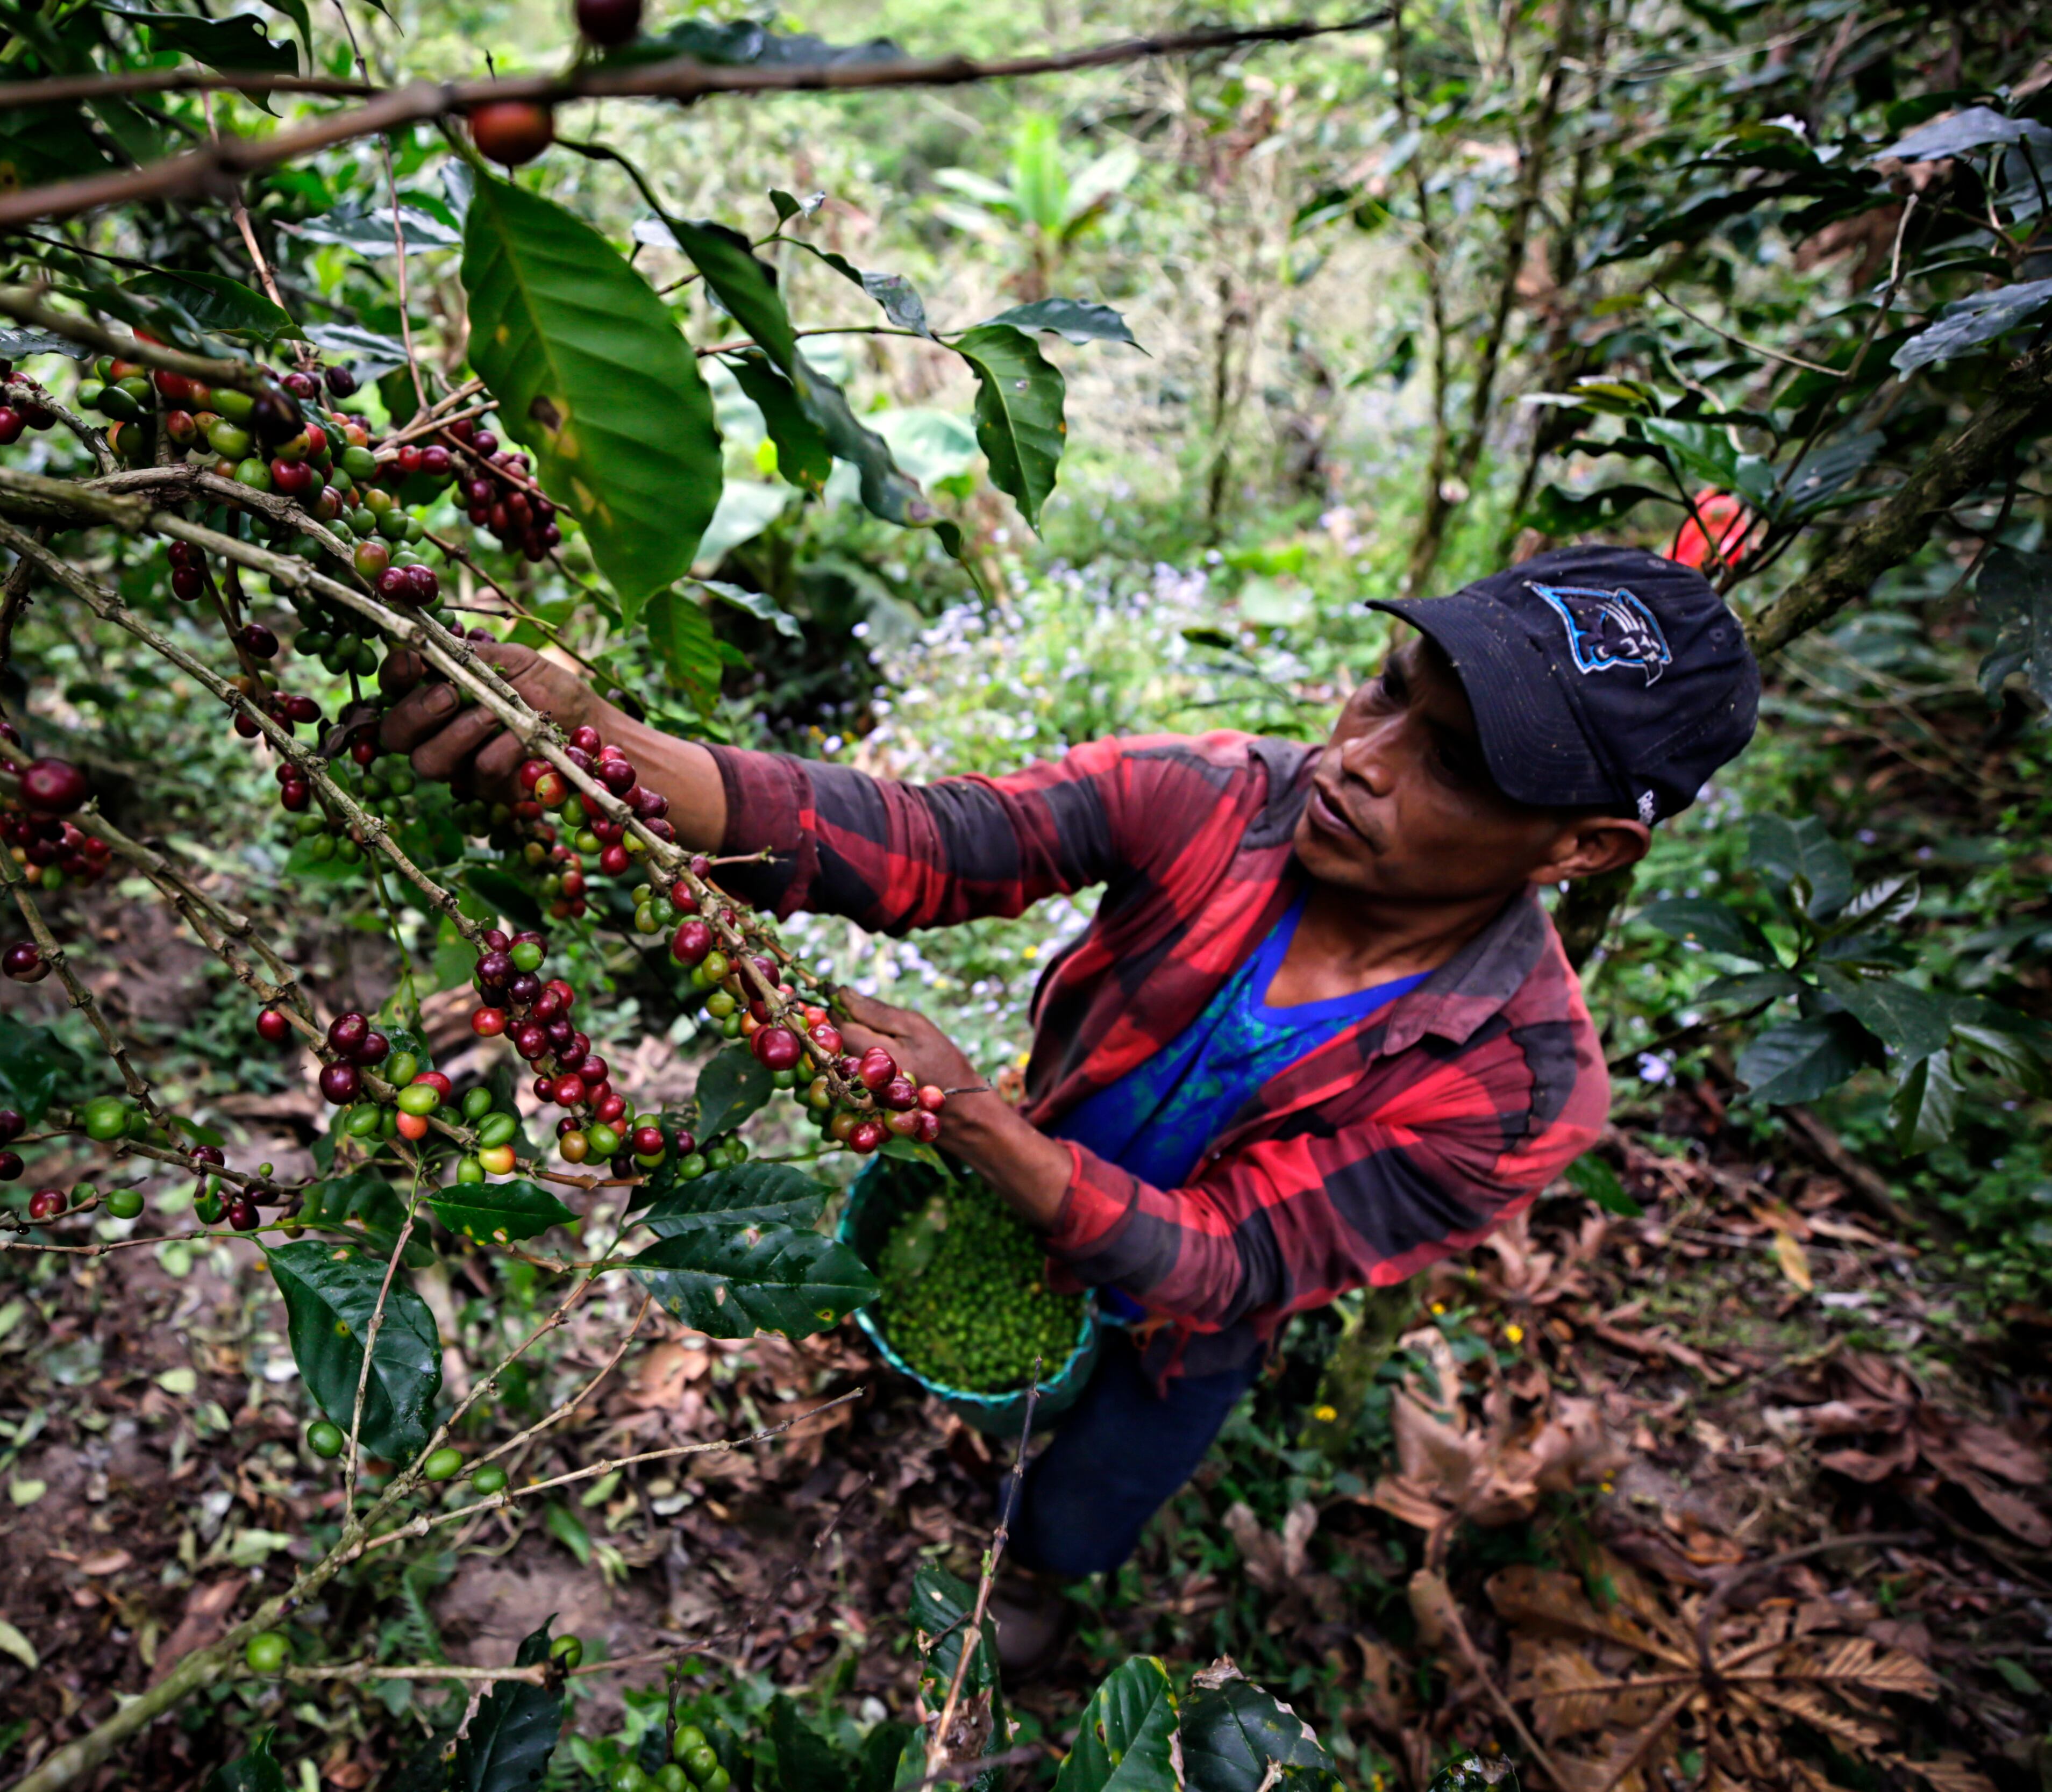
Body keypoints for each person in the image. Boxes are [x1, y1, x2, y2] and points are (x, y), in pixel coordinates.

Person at [375, 544, 1761, 1665]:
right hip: (1030, 1171)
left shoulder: (1521, 1085)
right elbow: (926, 841)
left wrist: (982, 1124)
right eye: (1386, 688)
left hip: (1179, 1332)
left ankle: (1031, 1585)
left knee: (1101, 1483)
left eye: (1452, 763)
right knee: (981, 1331)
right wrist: (605, 743)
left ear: (1584, 849)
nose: (1360, 758)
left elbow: (1229, 1263)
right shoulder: (1213, 797)